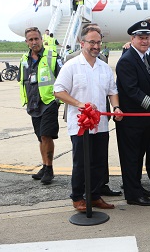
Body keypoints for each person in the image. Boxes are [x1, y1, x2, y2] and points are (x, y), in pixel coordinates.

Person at [54, 26, 123, 212]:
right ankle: (77, 197)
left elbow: (112, 92)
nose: (96, 46)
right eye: (92, 42)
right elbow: (58, 91)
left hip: (100, 124)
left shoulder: (104, 67)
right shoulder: (72, 66)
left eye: (98, 42)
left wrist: (116, 107)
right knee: (81, 163)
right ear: (82, 43)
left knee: (99, 162)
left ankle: (94, 196)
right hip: (80, 125)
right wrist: (79, 104)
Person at [115, 20, 150, 206]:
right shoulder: (127, 60)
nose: (145, 41)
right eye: (141, 38)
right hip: (132, 120)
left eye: (147, 37)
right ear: (132, 39)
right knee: (131, 158)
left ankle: (136, 187)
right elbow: (133, 92)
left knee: (138, 156)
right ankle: (132, 195)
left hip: (143, 120)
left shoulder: (142, 57)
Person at [18, 27, 63, 184]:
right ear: (26, 42)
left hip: (49, 102)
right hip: (33, 104)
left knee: (46, 135)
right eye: (30, 40)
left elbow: (63, 77)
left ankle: (49, 168)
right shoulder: (24, 59)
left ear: (41, 39)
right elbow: (23, 81)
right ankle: (44, 165)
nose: (34, 42)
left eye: (36, 39)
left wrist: (58, 100)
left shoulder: (52, 56)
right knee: (40, 137)